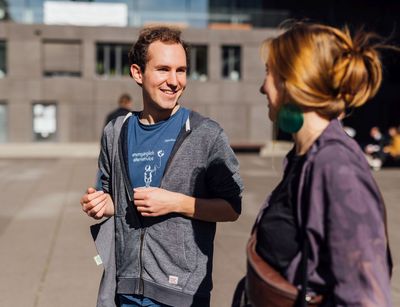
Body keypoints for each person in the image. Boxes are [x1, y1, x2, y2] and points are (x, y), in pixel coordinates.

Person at [80, 26, 243, 307]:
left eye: (181, 70)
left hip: (181, 294)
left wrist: (175, 203)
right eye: (163, 69)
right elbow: (113, 197)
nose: (174, 81)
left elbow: (232, 207)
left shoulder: (206, 134)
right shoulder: (116, 132)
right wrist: (103, 204)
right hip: (125, 288)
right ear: (137, 73)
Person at [245, 22, 392, 305]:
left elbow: (366, 297)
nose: (263, 87)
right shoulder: (305, 157)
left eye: (268, 73)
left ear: (292, 81)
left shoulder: (336, 167)